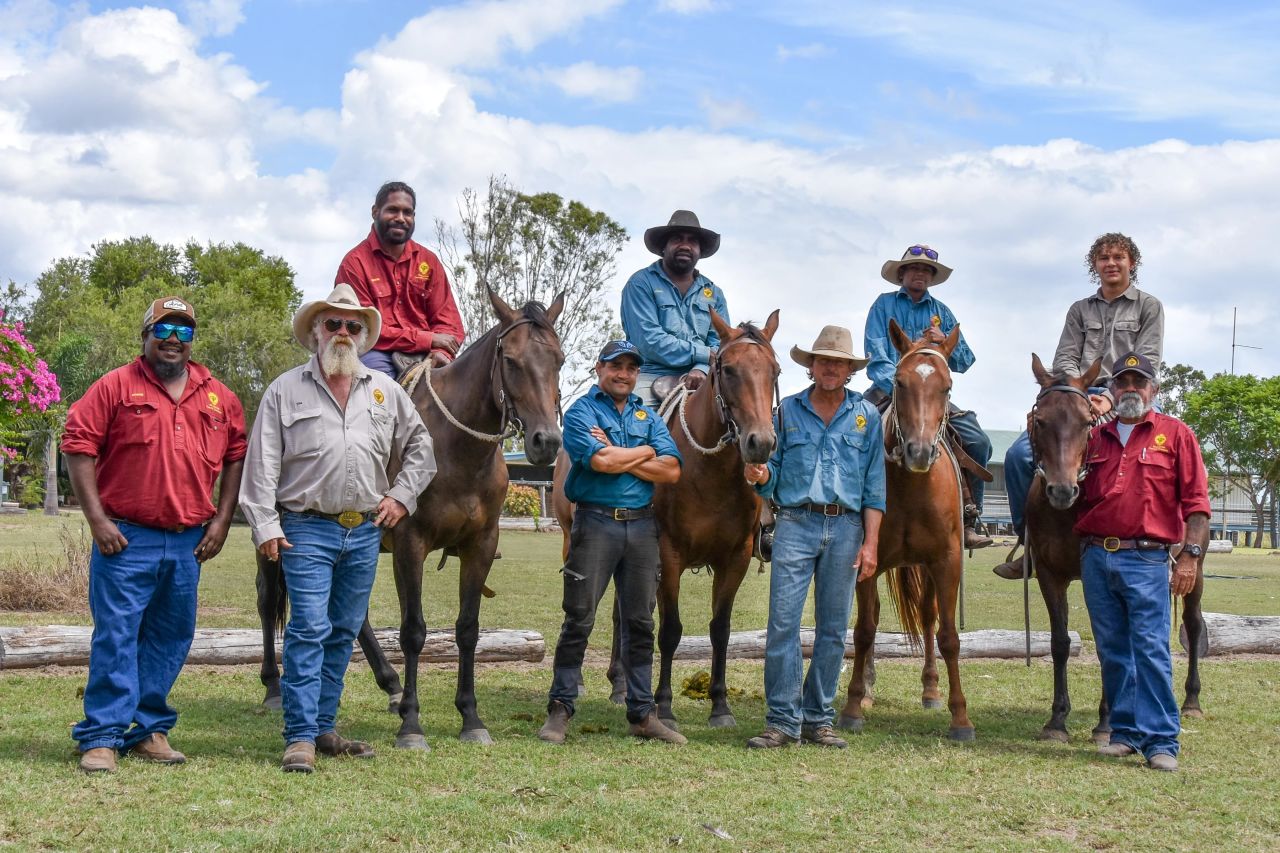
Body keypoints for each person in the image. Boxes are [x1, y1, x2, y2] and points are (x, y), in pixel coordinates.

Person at [239, 283, 436, 773]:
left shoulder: (384, 390)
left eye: (353, 325)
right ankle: (300, 737)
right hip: (305, 528)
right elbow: (261, 463)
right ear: (315, 333)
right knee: (308, 627)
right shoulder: (285, 390)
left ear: (363, 334)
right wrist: (263, 523)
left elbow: (421, 448)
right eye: (334, 323)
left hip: (365, 530)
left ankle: (323, 728)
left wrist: (401, 496)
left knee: (343, 630)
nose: (343, 332)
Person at [63, 296, 247, 773]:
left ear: (192, 342)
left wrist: (222, 519)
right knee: (117, 636)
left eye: (184, 332)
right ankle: (102, 736)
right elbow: (77, 446)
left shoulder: (217, 395)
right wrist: (98, 521)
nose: (172, 340)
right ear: (144, 336)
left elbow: (235, 454)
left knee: (171, 636)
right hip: (125, 538)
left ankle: (148, 730)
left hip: (188, 540)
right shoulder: (114, 386)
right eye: (163, 330)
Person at [743, 326, 885, 749]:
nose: (831, 368)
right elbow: (772, 475)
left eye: (839, 362)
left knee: (833, 628)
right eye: (823, 360)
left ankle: (817, 718)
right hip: (795, 524)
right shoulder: (785, 412)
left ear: (849, 370)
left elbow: (875, 485)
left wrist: (871, 542)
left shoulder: (867, 417)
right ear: (811, 366)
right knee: (783, 624)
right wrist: (762, 476)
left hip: (847, 528)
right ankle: (782, 721)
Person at [538, 340, 685, 745]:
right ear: (599, 368)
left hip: (641, 528)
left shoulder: (647, 414)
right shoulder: (583, 411)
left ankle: (642, 713)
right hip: (595, 523)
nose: (624, 374)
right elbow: (599, 462)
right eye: (616, 365)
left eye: (631, 368)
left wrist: (619, 452)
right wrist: (645, 451)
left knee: (640, 622)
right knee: (579, 618)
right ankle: (561, 708)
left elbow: (672, 471)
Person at [996, 233, 1165, 578]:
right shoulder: (1080, 310)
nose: (1111, 263)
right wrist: (1078, 394)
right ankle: (1029, 540)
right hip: (1079, 394)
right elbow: (1066, 358)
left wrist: (1113, 397)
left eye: (1118, 257)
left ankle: (1165, 545)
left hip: (1133, 393)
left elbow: (1146, 359)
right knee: (1018, 456)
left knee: (1160, 456)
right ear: (1095, 266)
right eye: (1103, 258)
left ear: (1132, 263)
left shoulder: (1148, 306)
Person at [1074, 352, 1209, 772]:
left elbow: (1198, 504)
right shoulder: (1095, 438)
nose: (1131, 388)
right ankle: (1126, 733)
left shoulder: (1177, 434)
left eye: (1139, 382)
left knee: (1150, 649)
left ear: (1154, 389)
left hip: (1147, 559)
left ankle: (1161, 740)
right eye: (1123, 382)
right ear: (1111, 391)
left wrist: (1190, 556)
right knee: (1113, 649)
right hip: (1097, 555)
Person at [865, 245, 992, 549]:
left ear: (932, 278)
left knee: (978, 441)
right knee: (853, 432)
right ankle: (844, 513)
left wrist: (943, 341)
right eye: (915, 268)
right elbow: (876, 353)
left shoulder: (942, 314)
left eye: (927, 270)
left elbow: (964, 360)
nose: (920, 274)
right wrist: (901, 387)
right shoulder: (883, 306)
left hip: (934, 396)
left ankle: (969, 517)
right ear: (902, 273)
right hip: (889, 388)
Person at [336, 181, 466, 379]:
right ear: (375, 212)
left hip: (430, 351)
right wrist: (428, 339)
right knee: (380, 389)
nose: (400, 218)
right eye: (392, 210)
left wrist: (443, 351)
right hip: (376, 352)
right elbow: (364, 328)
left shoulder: (428, 261)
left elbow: (449, 321)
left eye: (408, 212)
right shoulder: (354, 264)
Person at [620, 210, 730, 407]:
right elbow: (648, 341)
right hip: (652, 374)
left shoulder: (714, 293)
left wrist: (700, 368)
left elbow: (721, 342)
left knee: (744, 418)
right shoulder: (640, 283)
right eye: (677, 239)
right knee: (637, 419)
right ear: (664, 246)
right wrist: (703, 355)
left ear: (700, 250)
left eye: (692, 241)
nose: (685, 245)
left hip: (705, 374)